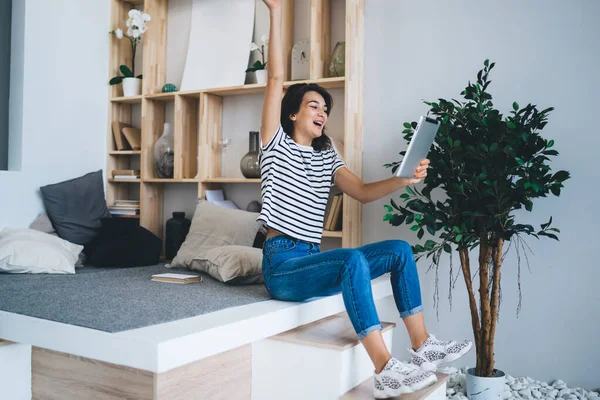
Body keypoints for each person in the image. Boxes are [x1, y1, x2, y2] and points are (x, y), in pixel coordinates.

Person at [257, 0, 472, 398]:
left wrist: (402, 180)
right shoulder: (275, 143)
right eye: (313, 105)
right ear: (291, 114)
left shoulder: (327, 155)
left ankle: (423, 347)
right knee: (352, 257)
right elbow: (274, 79)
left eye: (326, 108)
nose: (322, 112)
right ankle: (385, 368)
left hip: (311, 258)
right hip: (282, 264)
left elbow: (360, 193)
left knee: (399, 250)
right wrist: (274, 10)